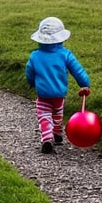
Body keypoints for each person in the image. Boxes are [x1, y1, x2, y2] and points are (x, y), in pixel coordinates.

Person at [25, 17, 90, 154]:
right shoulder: (65, 54)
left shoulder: (35, 56)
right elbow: (77, 70)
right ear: (61, 38)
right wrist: (84, 84)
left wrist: (31, 83)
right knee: (57, 113)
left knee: (44, 116)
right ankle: (57, 132)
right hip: (59, 94)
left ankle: (47, 138)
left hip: (43, 95)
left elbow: (29, 73)